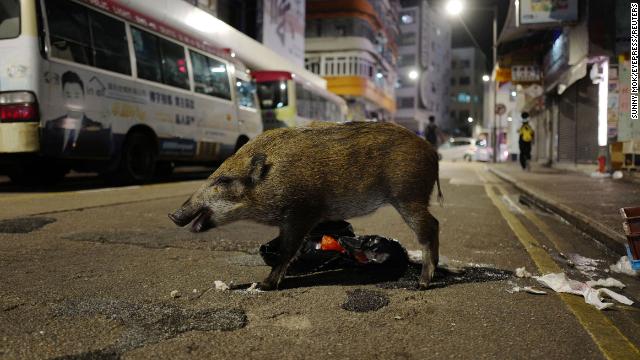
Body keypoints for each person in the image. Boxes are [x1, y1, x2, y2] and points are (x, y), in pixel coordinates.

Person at [42, 71, 112, 157]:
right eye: (68, 95)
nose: (72, 101)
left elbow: (105, 153)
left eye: (76, 96)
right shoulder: (51, 125)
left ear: (83, 97)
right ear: (63, 97)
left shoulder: (97, 127)